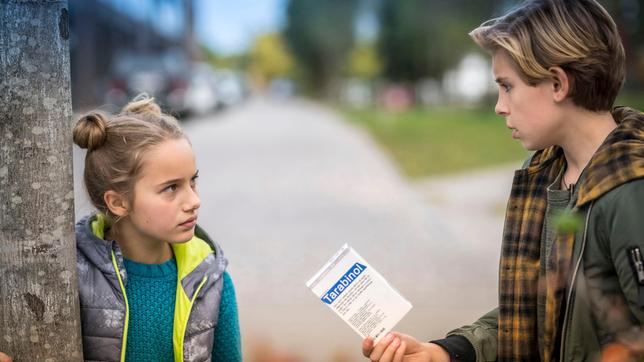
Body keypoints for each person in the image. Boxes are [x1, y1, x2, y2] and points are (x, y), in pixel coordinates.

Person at [362, 0, 644, 361]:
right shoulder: (547, 174)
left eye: (507, 87)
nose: (499, 106)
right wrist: (446, 353)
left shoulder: (630, 191)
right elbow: (535, 316)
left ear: (558, 83)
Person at [2, 95, 241, 361]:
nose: (194, 201)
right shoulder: (68, 277)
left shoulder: (210, 281)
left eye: (192, 181)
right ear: (118, 202)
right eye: (171, 188)